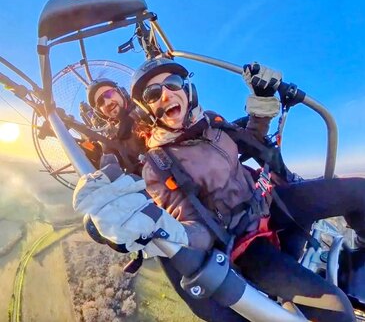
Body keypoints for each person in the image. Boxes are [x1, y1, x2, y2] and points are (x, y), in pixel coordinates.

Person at [127, 57, 361, 321]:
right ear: (145, 108)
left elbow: (252, 141)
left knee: (359, 191)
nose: (166, 95)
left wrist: (262, 98)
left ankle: (361, 262)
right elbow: (195, 225)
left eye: (173, 83)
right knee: (337, 310)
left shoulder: (211, 123)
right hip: (243, 245)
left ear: (187, 89)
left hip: (269, 202)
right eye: (153, 93)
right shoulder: (159, 164)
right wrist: (170, 232)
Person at [83, 77, 248, 321]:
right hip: (162, 212)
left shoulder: (150, 110)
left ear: (121, 93)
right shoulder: (110, 144)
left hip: (197, 189)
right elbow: (111, 175)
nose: (107, 103)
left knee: (233, 259)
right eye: (100, 103)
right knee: (199, 298)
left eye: (109, 95)